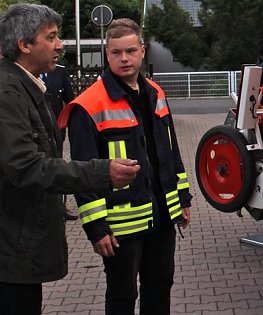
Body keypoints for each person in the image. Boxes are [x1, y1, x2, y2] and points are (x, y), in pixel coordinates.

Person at [0, 3, 141, 315]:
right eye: (51, 37)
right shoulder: (4, 92)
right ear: (25, 44)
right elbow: (26, 166)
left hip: (9, 244)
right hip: (3, 248)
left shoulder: (18, 85)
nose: (59, 45)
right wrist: (102, 172)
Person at [61, 18, 191, 315]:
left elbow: (171, 152)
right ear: (107, 54)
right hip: (120, 226)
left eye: (130, 51)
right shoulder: (88, 105)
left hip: (162, 215)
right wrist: (96, 228)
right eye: (116, 52)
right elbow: (82, 173)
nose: (124, 58)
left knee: (160, 286)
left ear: (142, 51)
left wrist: (182, 199)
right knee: (122, 295)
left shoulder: (156, 93)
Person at [41, 64, 78, 220]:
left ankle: (60, 207)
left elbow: (69, 101)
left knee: (57, 165)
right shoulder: (26, 71)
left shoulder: (60, 72)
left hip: (56, 129)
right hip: (35, 129)